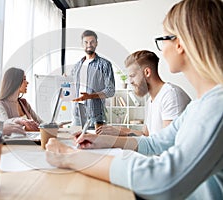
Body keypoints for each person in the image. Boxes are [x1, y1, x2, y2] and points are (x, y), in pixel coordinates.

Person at [45, 0, 223, 199]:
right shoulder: (201, 105)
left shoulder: (217, 106)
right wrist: (102, 140)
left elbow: (163, 179)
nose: (162, 50)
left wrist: (72, 157)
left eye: (164, 40)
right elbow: (155, 142)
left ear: (179, 43)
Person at [97, 50, 191, 136]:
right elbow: (145, 134)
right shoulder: (150, 100)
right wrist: (117, 131)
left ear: (147, 72)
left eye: (133, 76)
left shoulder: (171, 95)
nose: (130, 81)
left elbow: (166, 143)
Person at [71, 30, 115, 128]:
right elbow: (72, 88)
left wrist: (90, 96)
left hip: (96, 115)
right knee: (76, 141)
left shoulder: (105, 65)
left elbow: (110, 90)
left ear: (96, 43)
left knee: (97, 142)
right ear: (82, 44)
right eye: (86, 42)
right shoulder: (76, 66)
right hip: (77, 114)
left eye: (92, 42)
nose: (89, 45)